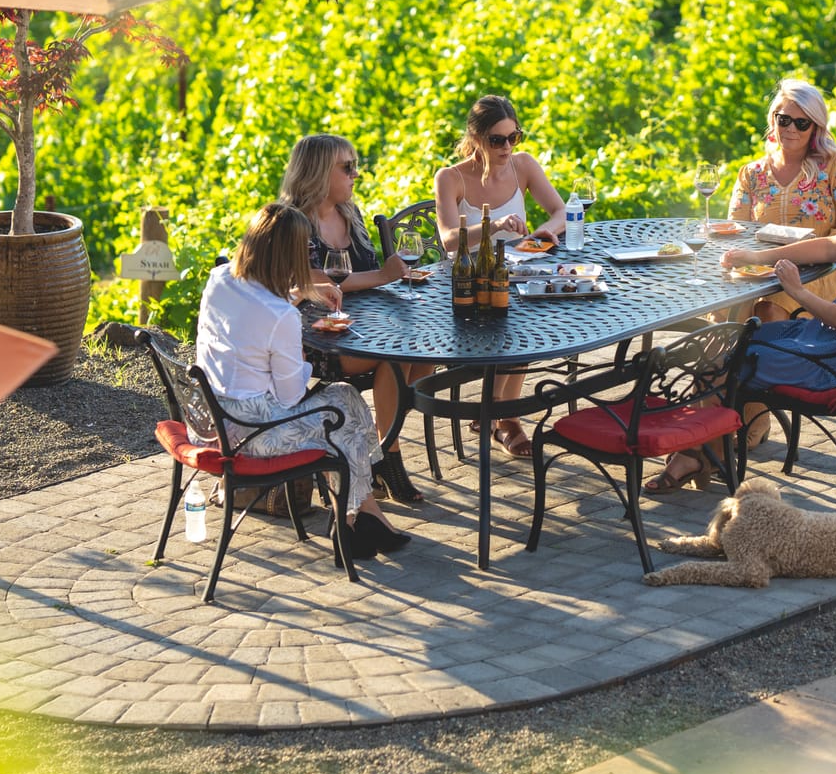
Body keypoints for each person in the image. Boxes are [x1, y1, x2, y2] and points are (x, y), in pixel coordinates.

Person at [648, 144, 836, 492]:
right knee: (732, 340)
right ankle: (709, 454)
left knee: (719, 360)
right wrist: (758, 255)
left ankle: (698, 455)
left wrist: (798, 291)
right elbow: (828, 247)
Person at [196, 203, 409, 560]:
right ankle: (353, 516)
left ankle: (360, 515)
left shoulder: (221, 280)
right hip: (254, 433)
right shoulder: (280, 316)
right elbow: (291, 395)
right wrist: (304, 363)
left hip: (212, 417)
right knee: (343, 415)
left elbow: (257, 313)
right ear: (289, 257)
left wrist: (301, 294)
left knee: (344, 401)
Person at [278, 133, 432, 505]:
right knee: (396, 358)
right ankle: (388, 456)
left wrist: (391, 275)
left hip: (362, 321)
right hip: (318, 335)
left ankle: (380, 447)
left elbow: (361, 275)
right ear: (318, 171)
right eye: (347, 168)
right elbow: (312, 282)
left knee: (424, 353)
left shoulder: (351, 213)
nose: (355, 175)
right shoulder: (294, 223)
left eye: (355, 166)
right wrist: (382, 277)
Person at [433, 94, 573, 459]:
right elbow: (449, 240)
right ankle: (504, 418)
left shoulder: (523, 165)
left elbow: (561, 210)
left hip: (516, 274)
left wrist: (544, 231)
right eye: (497, 140)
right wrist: (492, 224)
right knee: (518, 322)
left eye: (514, 137)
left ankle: (494, 410)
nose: (507, 147)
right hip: (470, 284)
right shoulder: (450, 177)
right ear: (477, 138)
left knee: (532, 314)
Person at [725, 79, 836, 319]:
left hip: (816, 273)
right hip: (758, 271)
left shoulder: (835, 169)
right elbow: (736, 230)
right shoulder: (752, 173)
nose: (791, 129)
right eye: (784, 120)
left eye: (801, 123)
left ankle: (769, 356)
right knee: (725, 306)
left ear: (815, 127)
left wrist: (807, 257)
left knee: (768, 307)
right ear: (773, 119)